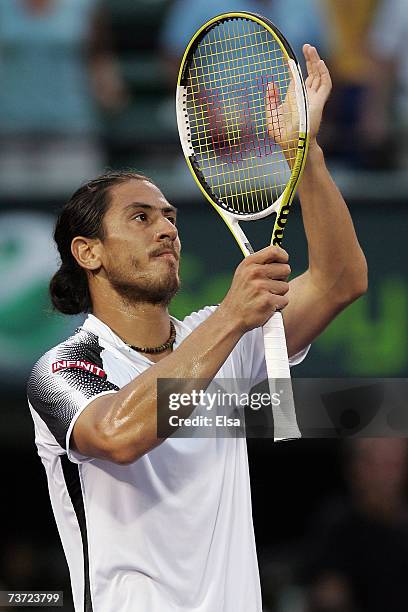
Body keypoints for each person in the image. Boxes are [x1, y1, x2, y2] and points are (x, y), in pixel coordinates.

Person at [27, 46, 367, 612]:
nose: (166, 229)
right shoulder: (62, 369)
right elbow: (120, 436)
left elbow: (340, 280)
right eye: (141, 217)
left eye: (170, 217)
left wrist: (303, 156)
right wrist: (232, 317)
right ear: (88, 252)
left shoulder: (222, 339)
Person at [303, 438, 408, 612]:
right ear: (355, 468)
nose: (386, 476)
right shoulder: (339, 526)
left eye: (394, 464)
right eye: (375, 464)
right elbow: (329, 596)